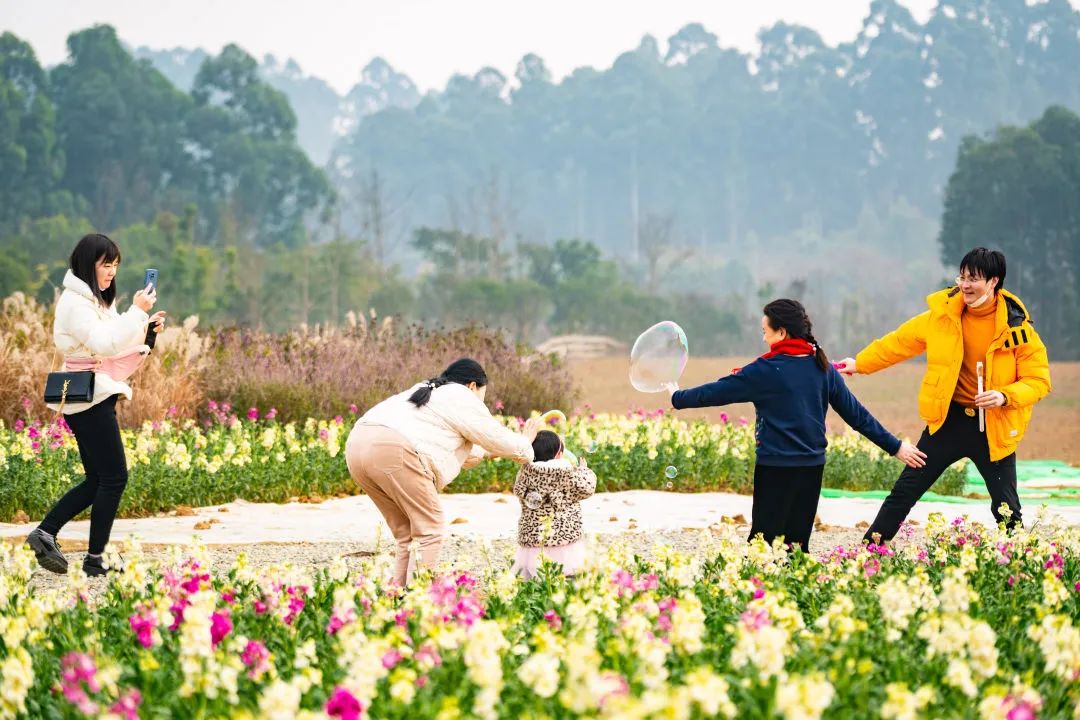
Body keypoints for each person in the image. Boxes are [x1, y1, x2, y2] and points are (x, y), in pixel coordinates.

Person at [666, 299, 925, 553]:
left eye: (765, 332)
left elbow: (715, 392)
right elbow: (858, 416)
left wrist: (678, 398)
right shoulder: (822, 367)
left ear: (781, 332)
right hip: (812, 468)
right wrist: (895, 447)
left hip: (774, 468)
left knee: (762, 547)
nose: (764, 338)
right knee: (797, 548)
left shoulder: (763, 370)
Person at [834, 248, 1051, 544]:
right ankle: (871, 548)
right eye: (961, 277)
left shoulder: (1018, 328)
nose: (965, 285)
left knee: (1006, 508)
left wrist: (1004, 395)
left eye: (973, 278)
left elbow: (1038, 380)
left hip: (993, 427)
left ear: (993, 281)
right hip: (947, 423)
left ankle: (1019, 558)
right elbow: (899, 342)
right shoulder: (942, 316)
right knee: (906, 489)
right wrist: (860, 364)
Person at [27, 233, 166, 577]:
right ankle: (93, 558)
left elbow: (118, 339)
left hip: (96, 393)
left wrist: (147, 329)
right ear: (89, 264)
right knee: (115, 477)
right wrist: (137, 310)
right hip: (88, 397)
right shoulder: (75, 303)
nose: (112, 272)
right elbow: (105, 344)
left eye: (116, 265)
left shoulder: (96, 301)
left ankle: (49, 535)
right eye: (107, 264)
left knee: (98, 480)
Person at [345, 358, 543, 586]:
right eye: (483, 395)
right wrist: (525, 442)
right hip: (393, 450)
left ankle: (396, 597)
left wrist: (494, 452)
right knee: (430, 529)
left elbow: (468, 451)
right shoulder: (461, 396)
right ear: (472, 386)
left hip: (357, 447)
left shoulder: (425, 392)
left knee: (406, 533)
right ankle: (417, 600)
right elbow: (499, 438)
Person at [511, 430, 597, 579]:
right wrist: (584, 470)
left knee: (534, 575)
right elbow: (587, 487)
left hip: (534, 539)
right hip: (563, 539)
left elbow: (519, 489)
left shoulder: (525, 473)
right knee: (565, 574)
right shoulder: (567, 473)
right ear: (559, 454)